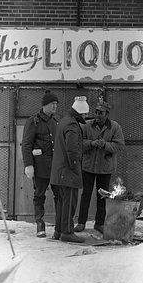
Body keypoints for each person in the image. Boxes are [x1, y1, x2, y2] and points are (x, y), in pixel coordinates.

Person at [74, 100, 125, 234]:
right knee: (86, 194)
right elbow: (79, 143)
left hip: (105, 168)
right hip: (88, 167)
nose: (97, 115)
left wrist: (105, 145)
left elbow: (119, 146)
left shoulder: (115, 127)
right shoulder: (86, 126)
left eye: (100, 113)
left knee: (102, 197)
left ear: (107, 114)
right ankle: (81, 222)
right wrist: (92, 143)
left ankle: (100, 223)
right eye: (96, 112)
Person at [50, 96, 89, 243]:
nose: (85, 117)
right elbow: (72, 148)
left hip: (59, 170)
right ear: (80, 112)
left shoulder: (64, 120)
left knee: (61, 202)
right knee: (69, 202)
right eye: (84, 114)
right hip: (68, 171)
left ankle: (58, 231)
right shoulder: (72, 125)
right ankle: (67, 232)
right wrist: (74, 166)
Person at [22, 90, 59, 238]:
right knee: (39, 196)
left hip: (56, 167)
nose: (55, 106)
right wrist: (28, 165)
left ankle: (60, 224)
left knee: (60, 195)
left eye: (56, 104)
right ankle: (40, 224)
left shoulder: (57, 121)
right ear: (45, 105)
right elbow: (26, 145)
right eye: (52, 104)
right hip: (40, 167)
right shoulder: (33, 121)